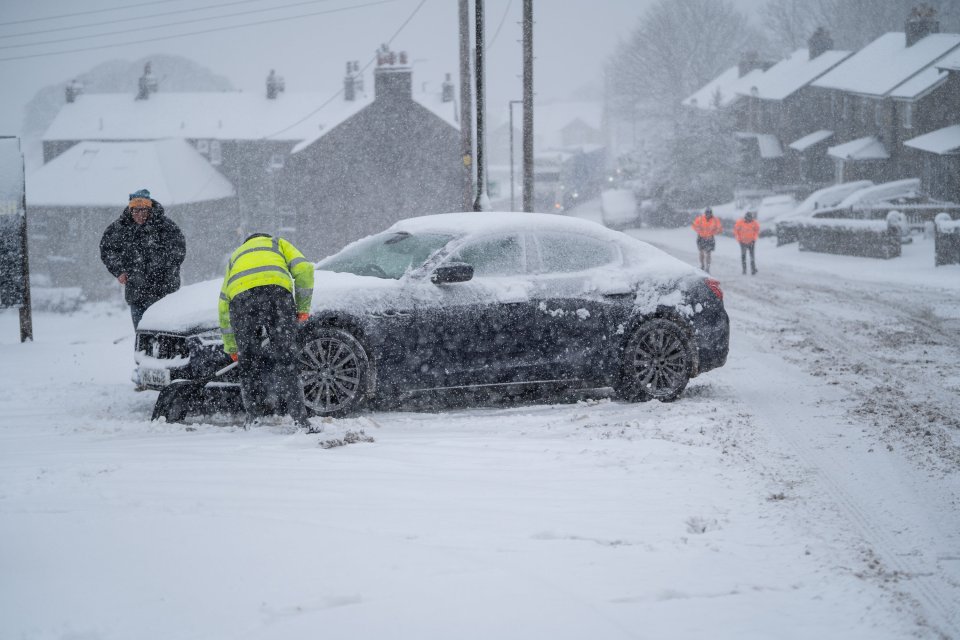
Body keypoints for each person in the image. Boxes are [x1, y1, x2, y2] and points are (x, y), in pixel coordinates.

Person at [218, 233, 314, 429]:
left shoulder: (236, 255)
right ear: (265, 237)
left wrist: (232, 347)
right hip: (276, 295)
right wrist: (303, 308)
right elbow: (304, 268)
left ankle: (254, 418)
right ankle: (299, 419)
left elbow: (223, 305)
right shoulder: (277, 243)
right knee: (286, 357)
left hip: (241, 299)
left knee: (249, 361)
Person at [100, 189, 186, 329]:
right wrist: (119, 271)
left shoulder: (165, 227)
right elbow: (107, 250)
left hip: (165, 291)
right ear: (130, 210)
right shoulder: (120, 228)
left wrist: (164, 267)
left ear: (150, 209)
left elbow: (178, 250)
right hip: (137, 292)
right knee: (142, 335)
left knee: (167, 334)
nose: (140, 215)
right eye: (136, 211)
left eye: (144, 211)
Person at [692, 207, 722, 273]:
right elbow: (694, 225)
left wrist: (714, 232)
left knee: (708, 253)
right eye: (707, 213)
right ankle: (702, 265)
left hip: (710, 238)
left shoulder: (715, 220)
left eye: (709, 213)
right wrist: (699, 231)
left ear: (711, 213)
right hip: (701, 237)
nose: (708, 214)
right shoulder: (700, 219)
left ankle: (708, 267)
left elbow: (719, 228)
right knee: (701, 252)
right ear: (705, 213)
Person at [734, 211, 760, 275]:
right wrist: (739, 239)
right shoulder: (740, 222)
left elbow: (757, 231)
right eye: (748, 217)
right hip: (742, 242)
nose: (749, 219)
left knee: (752, 257)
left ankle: (753, 269)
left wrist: (754, 239)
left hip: (751, 242)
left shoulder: (755, 223)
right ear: (745, 217)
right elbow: (736, 231)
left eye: (750, 217)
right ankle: (744, 270)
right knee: (743, 256)